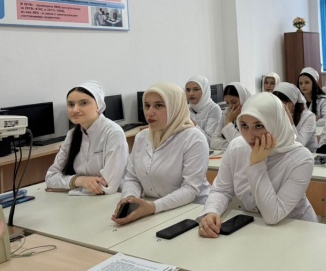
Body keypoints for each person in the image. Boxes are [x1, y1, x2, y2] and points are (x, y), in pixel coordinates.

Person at [198, 93, 317, 237]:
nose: (250, 135)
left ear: (275, 123)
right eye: (244, 125)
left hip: (296, 229)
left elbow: (273, 215)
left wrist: (256, 164)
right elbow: (222, 190)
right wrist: (212, 211)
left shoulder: (301, 158)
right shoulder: (237, 147)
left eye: (259, 125)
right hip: (254, 228)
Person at [112, 82, 210, 225]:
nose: (150, 112)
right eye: (147, 105)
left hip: (191, 212)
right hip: (152, 213)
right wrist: (129, 199)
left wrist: (153, 207)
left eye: (159, 105)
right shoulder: (141, 137)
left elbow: (191, 189)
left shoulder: (194, 138)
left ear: (175, 107)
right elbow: (132, 178)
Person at [45, 81, 128, 195]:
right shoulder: (72, 135)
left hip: (111, 199)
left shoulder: (113, 133)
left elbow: (108, 187)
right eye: (71, 104)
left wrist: (69, 187)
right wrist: (80, 181)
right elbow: (50, 178)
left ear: (98, 105)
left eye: (83, 103)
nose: (75, 110)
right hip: (81, 201)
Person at [273, 82, 317, 152]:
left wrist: (288, 118)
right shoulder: (275, 114)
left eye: (283, 103)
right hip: (283, 153)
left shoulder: (308, 116)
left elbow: (299, 143)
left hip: (305, 154)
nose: (279, 106)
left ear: (293, 103)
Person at [210, 82, 252, 150]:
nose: (230, 106)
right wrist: (232, 145)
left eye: (234, 102)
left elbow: (244, 144)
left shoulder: (252, 115)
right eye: (227, 103)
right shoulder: (227, 112)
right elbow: (213, 142)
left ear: (243, 98)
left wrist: (228, 122)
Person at [185, 75, 222, 143]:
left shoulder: (213, 109)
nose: (191, 93)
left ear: (205, 90)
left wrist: (192, 123)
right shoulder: (186, 109)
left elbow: (210, 140)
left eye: (196, 89)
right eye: (188, 90)